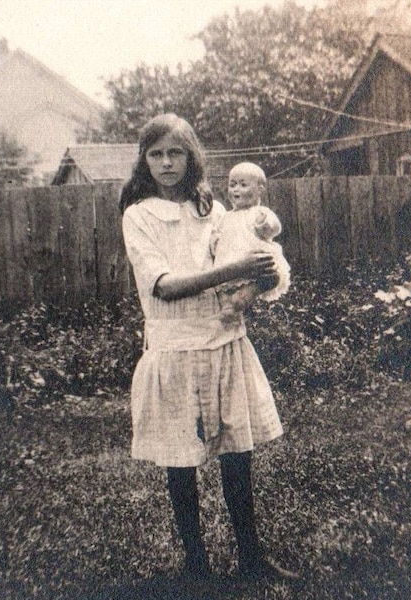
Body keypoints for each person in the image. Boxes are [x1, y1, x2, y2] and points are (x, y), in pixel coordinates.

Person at [120, 113, 298, 583]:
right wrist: (227, 274)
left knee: (237, 452)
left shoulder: (215, 212)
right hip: (174, 348)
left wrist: (259, 278)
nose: (165, 163)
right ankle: (195, 563)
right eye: (155, 154)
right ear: (144, 161)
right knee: (181, 458)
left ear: (191, 156)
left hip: (223, 339)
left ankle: (252, 556)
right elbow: (163, 287)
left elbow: (249, 266)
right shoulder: (138, 217)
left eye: (174, 153)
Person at [212, 161, 290, 318]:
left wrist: (263, 222)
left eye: (243, 185)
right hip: (230, 262)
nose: (236, 189)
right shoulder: (226, 216)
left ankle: (248, 294)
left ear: (260, 189)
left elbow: (274, 229)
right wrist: (214, 242)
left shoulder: (259, 212)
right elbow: (217, 234)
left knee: (272, 277)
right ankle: (228, 306)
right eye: (232, 185)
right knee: (222, 286)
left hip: (255, 263)